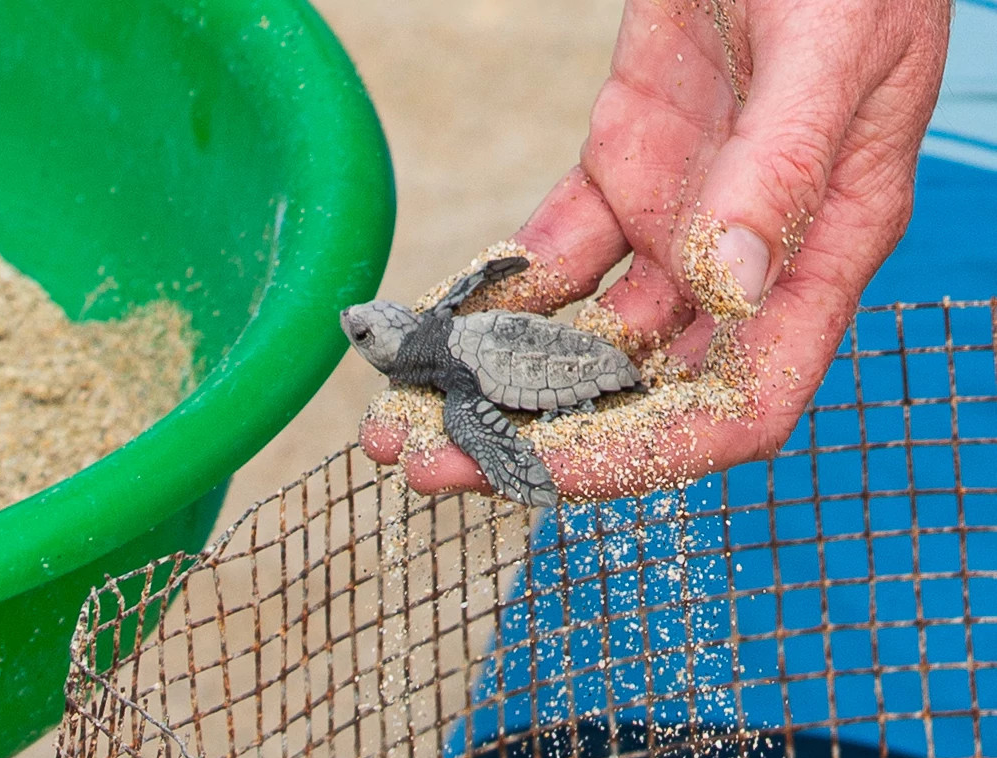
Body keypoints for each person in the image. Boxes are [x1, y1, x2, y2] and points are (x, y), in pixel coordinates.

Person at [358, 0, 953, 502]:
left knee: (482, 432)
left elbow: (479, 389)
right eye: (365, 329)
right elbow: (476, 289)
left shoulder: (455, 380)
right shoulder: (445, 332)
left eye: (362, 333)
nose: (352, 326)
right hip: (525, 358)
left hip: (571, 372)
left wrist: (509, 462)